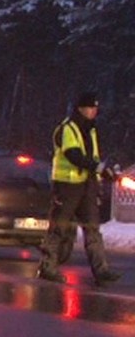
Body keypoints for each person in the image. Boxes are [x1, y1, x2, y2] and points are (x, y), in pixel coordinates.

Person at [36, 92, 121, 286]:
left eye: (95, 108)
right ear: (81, 108)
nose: (93, 111)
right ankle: (47, 266)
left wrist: (103, 173)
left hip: (86, 185)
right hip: (67, 186)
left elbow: (92, 157)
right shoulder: (68, 129)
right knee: (58, 226)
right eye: (91, 108)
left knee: (93, 229)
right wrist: (96, 167)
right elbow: (73, 155)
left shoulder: (91, 130)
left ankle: (101, 270)